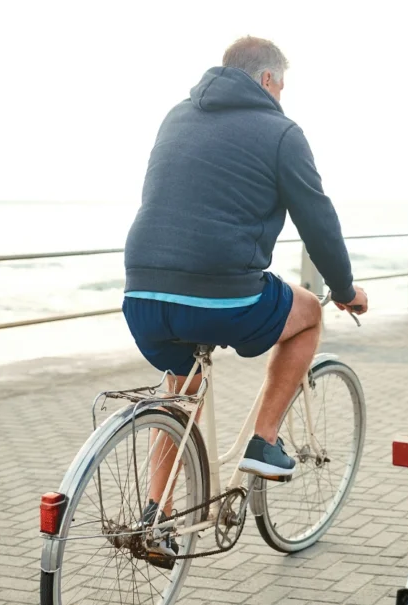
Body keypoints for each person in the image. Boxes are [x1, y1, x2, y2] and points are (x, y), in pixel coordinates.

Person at [122, 36, 367, 567]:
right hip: (220, 298)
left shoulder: (176, 116)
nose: (283, 96)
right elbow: (318, 222)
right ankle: (265, 441)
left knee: (180, 392)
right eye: (282, 86)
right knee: (308, 314)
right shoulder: (282, 133)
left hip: (141, 295)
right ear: (267, 80)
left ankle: (155, 515)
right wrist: (346, 290)